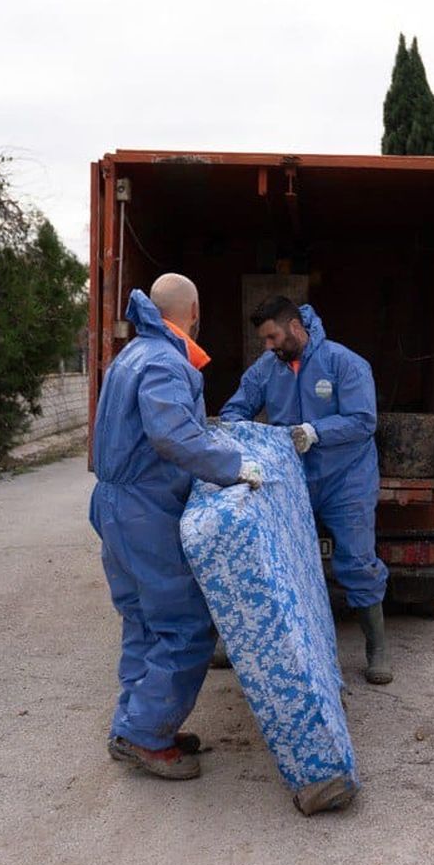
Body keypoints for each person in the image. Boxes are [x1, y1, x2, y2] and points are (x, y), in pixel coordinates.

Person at [90, 274, 263, 780]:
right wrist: (233, 467)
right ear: (194, 309)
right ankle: (146, 734)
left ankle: (136, 725)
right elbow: (172, 436)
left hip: (117, 503)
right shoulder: (166, 361)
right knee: (185, 624)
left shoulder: (134, 355)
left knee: (143, 620)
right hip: (144, 508)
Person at [220, 296, 392, 684]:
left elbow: (364, 421)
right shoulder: (267, 369)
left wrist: (316, 432)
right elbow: (235, 411)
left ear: (295, 328)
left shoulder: (343, 363)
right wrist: (252, 439)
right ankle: (246, 640)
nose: (268, 346)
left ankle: (377, 646)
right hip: (291, 478)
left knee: (357, 561)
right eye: (264, 340)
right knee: (271, 557)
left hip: (346, 479)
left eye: (272, 337)